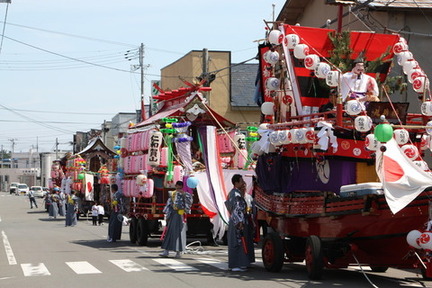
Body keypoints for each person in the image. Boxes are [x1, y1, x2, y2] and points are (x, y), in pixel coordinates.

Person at [225, 174, 255, 272]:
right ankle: (235, 264)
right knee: (237, 242)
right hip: (237, 222)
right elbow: (236, 210)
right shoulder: (235, 194)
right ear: (236, 183)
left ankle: (241, 262)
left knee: (242, 242)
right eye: (241, 181)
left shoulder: (236, 193)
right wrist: (240, 221)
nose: (242, 183)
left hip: (240, 220)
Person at [159, 181, 192, 258]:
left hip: (179, 215)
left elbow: (188, 204)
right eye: (178, 185)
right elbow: (169, 204)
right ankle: (169, 251)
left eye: (179, 185)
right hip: (174, 215)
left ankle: (176, 252)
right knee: (172, 233)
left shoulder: (184, 194)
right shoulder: (173, 193)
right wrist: (167, 215)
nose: (178, 187)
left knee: (176, 233)